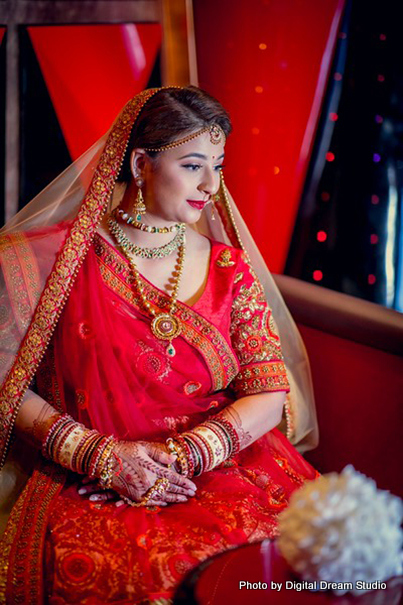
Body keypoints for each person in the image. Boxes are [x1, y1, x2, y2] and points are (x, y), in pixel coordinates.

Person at [0, 86, 318, 604]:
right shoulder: (46, 261)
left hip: (219, 462)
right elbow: (5, 382)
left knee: (298, 566)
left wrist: (189, 453)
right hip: (89, 477)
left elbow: (268, 390)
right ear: (141, 163)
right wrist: (100, 457)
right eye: (193, 165)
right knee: (158, 577)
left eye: (218, 165)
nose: (212, 185)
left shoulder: (227, 267)